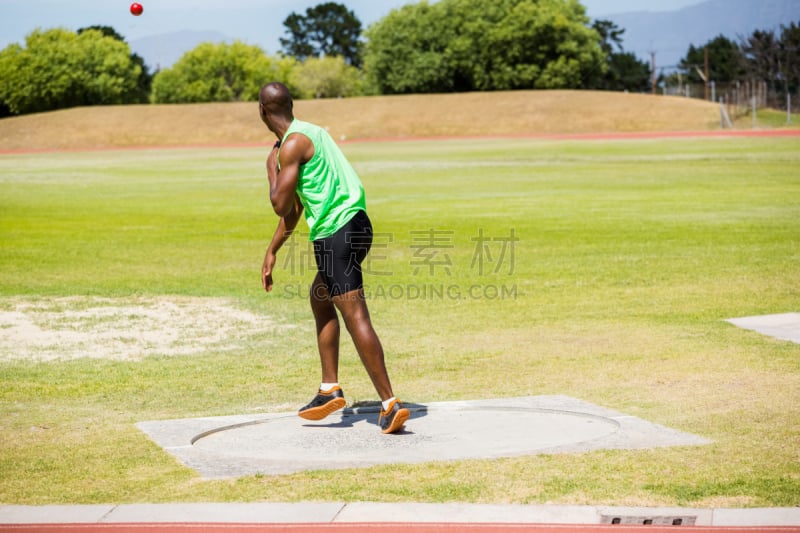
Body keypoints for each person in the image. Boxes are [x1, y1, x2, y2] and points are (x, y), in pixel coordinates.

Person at [258, 81, 410, 434]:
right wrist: (272, 250)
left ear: (263, 112)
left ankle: (390, 404)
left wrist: (271, 167)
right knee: (320, 298)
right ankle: (330, 390)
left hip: (335, 234)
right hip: (357, 224)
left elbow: (280, 204)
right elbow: (294, 213)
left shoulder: (290, 145)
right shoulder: (312, 133)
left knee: (355, 314)